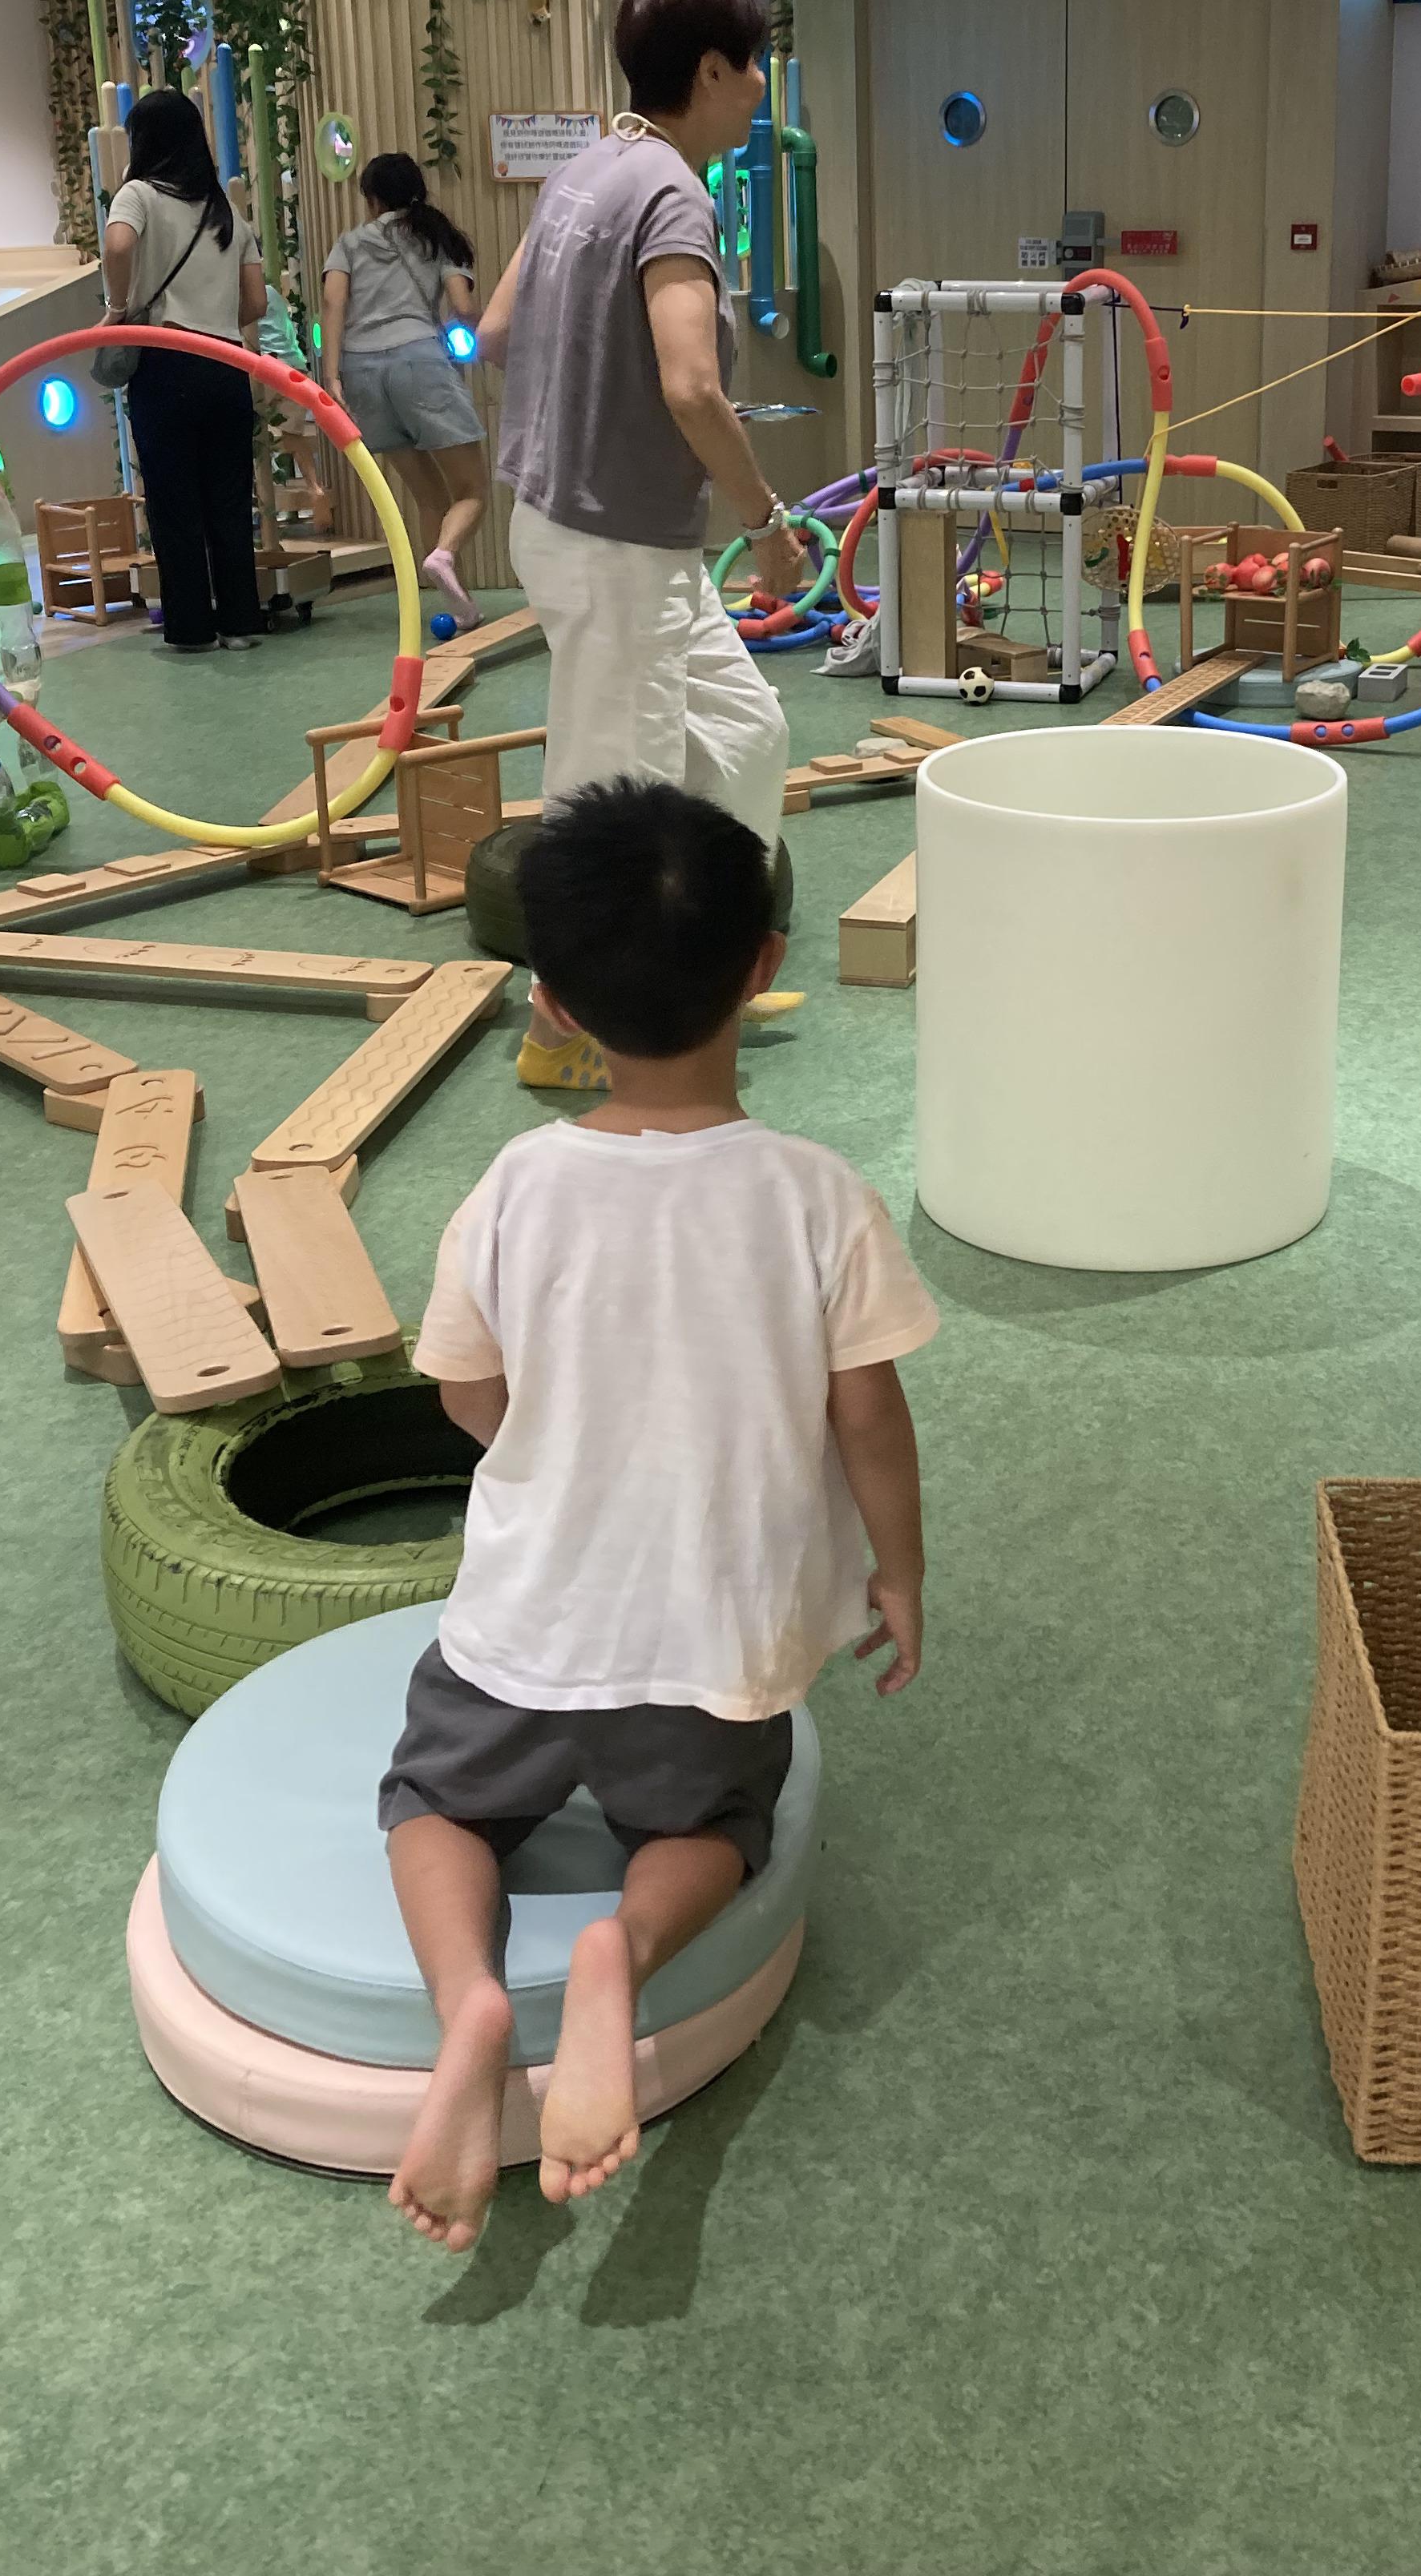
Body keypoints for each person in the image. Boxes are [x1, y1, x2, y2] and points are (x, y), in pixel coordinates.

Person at [381, 778, 937, 2254]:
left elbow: (463, 1392)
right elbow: (870, 1420)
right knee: (715, 1824)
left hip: (524, 1627)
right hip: (713, 1649)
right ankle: (618, 1955)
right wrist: (898, 1571)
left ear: (552, 1003)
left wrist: (549, 1453)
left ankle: (472, 2004)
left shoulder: (515, 1185)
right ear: (765, 967)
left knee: (432, 1806)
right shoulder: (817, 1197)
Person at [477, 0, 806, 1090]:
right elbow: (692, 387)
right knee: (608, 796)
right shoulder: (672, 195)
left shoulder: (588, 169)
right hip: (615, 545)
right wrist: (766, 519)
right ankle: (565, 1025)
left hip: (588, 527)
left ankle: (706, 974)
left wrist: (581, 403)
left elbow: (496, 331)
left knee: (747, 736)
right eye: (754, 64)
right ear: (711, 70)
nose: (759, 86)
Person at [100, 89, 268, 653]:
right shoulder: (226, 211)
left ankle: (193, 629)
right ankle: (241, 623)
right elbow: (256, 303)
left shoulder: (139, 195)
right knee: (229, 500)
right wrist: (213, 316)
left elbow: (118, 244)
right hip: (228, 367)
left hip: (166, 361)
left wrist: (118, 307)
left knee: (174, 503)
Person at [320, 152, 486, 635]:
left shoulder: (350, 243)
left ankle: (457, 606)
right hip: (418, 362)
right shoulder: (437, 238)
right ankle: (444, 555)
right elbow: (463, 305)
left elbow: (333, 302)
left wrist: (332, 376)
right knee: (472, 490)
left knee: (429, 498)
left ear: (372, 199)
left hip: (361, 373)